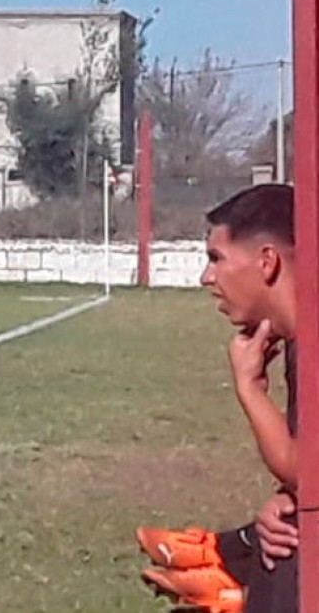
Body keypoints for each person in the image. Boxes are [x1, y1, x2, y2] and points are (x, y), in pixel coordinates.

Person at [136, 183, 299, 613]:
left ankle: (225, 564)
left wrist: (250, 388)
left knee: (286, 554)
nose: (206, 277)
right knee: (281, 538)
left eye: (215, 259)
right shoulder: (298, 341)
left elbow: (306, 470)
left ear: (267, 261)